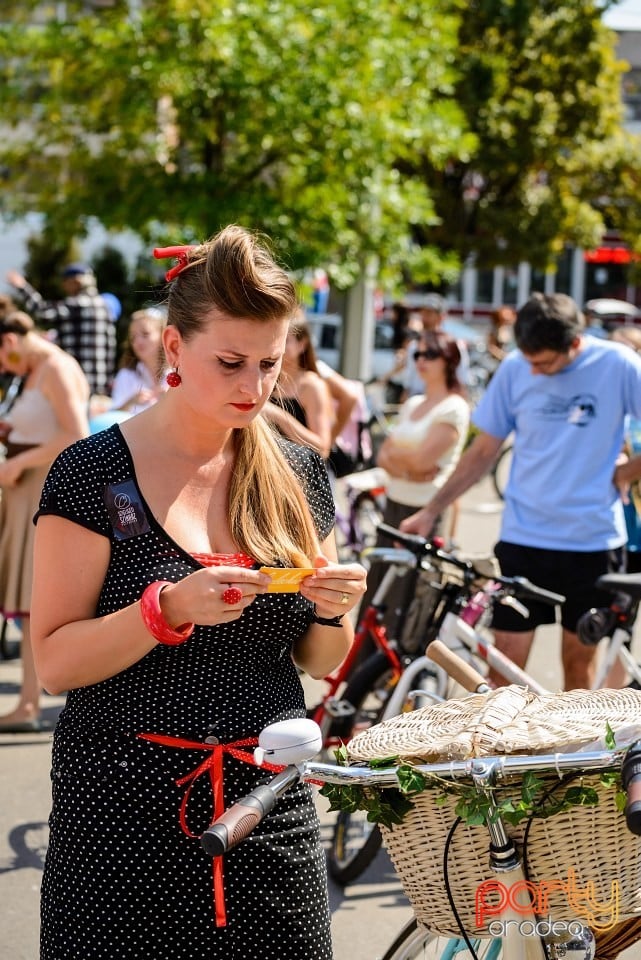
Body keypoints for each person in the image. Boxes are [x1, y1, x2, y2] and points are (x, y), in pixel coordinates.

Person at [30, 225, 367, 959]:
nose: (253, 387)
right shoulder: (91, 473)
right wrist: (167, 609)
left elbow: (319, 658)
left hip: (266, 801)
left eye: (269, 365)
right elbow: (53, 662)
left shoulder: (298, 473)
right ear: (174, 350)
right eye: (231, 362)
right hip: (119, 811)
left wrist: (331, 607)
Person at [400, 292, 641, 691]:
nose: (532, 372)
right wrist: (431, 510)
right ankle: (507, 752)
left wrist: (628, 472)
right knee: (504, 672)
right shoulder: (515, 368)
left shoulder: (617, 365)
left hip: (593, 542)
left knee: (578, 671)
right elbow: (482, 451)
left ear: (575, 344)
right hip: (523, 540)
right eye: (527, 361)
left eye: (543, 364)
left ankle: (568, 752)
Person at [0, 310, 89, 732]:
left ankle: (31, 704)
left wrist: (22, 464)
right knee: (31, 602)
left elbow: (77, 433)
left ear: (11, 343)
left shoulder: (53, 367)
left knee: (38, 601)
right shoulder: (39, 369)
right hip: (27, 491)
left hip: (39, 490)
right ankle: (29, 701)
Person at [357, 329, 469, 636]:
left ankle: (396, 677)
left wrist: (402, 461)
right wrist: (408, 467)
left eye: (429, 354)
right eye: (417, 354)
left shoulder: (454, 407)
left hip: (425, 511)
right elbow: (384, 456)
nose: (421, 361)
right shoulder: (413, 403)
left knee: (407, 599)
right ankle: (365, 673)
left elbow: (419, 461)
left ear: (448, 360)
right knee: (378, 590)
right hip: (394, 504)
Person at [6, 262, 117, 397]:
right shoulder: (105, 307)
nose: (63, 286)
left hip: (77, 384)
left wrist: (22, 286)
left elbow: (42, 311)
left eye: (65, 281)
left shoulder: (77, 304)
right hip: (100, 387)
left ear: (75, 281)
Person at [265, 311, 335, 459]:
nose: (277, 347)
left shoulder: (311, 385)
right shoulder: (265, 377)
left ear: (302, 344)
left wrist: (278, 415)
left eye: (285, 340)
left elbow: (322, 448)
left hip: (300, 475)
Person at [110, 308, 168, 414]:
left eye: (145, 334)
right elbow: (112, 417)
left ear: (163, 335)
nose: (138, 341)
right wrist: (130, 402)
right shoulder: (125, 375)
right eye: (133, 337)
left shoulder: (178, 372)